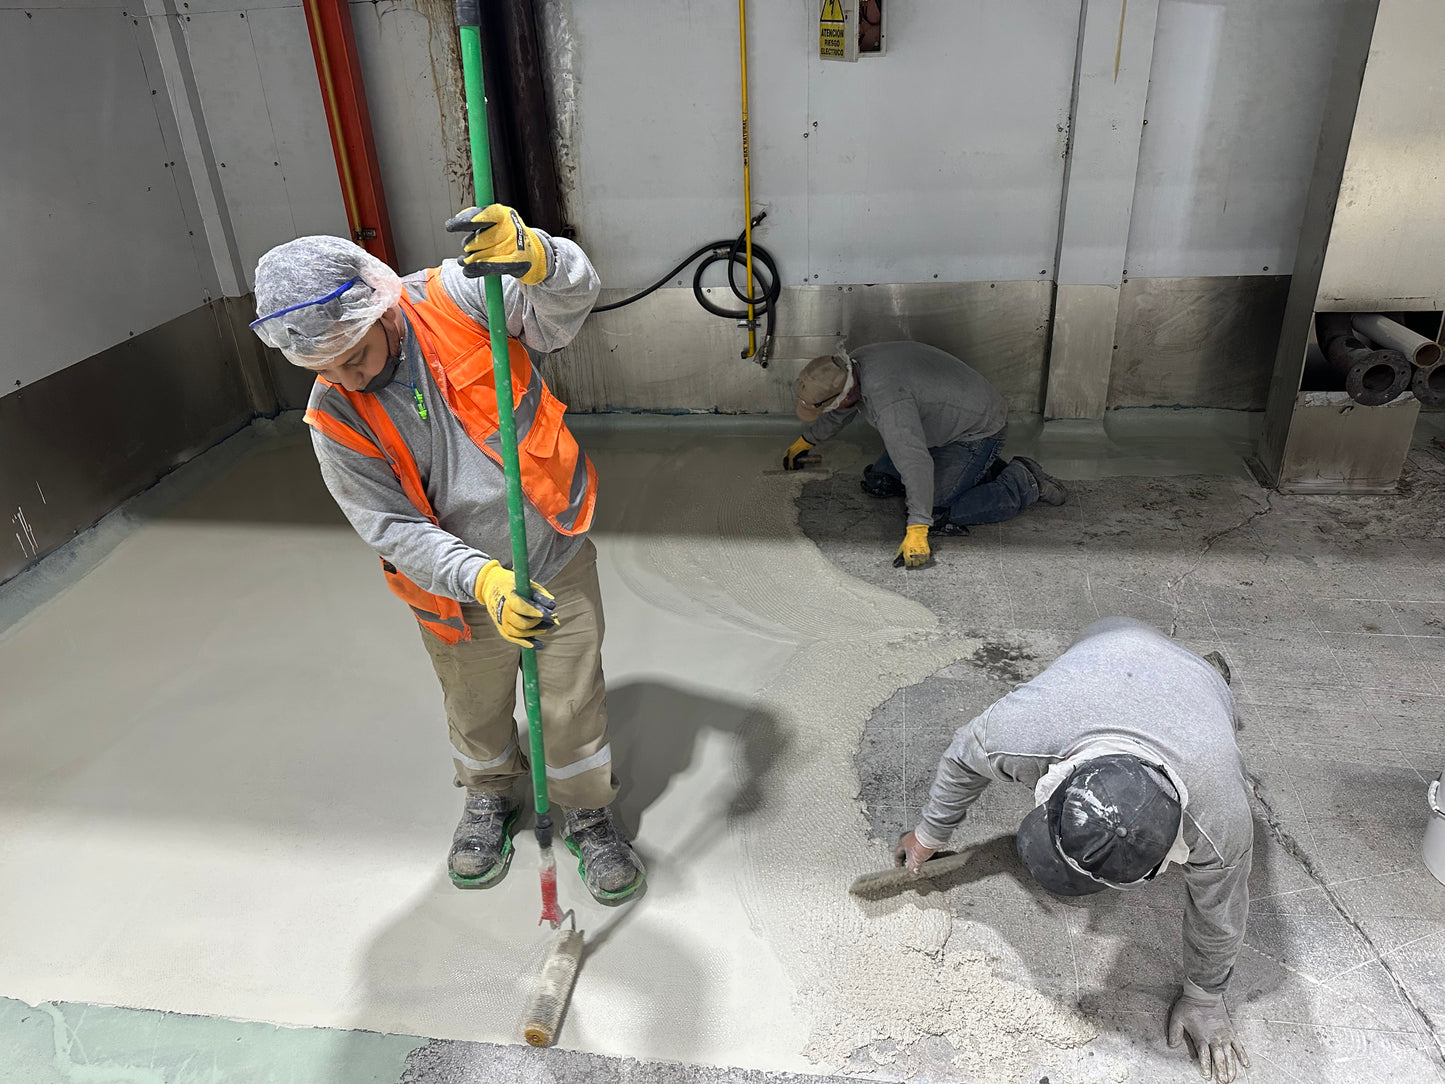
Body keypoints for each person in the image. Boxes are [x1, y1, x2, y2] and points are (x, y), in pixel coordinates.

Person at [249, 205, 644, 904]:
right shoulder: (332, 415)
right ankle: (489, 793)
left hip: (552, 552)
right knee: (475, 704)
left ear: (379, 306)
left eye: (355, 356)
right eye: (324, 369)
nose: (347, 378)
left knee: (570, 700)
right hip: (456, 594)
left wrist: (541, 259)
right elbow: (390, 525)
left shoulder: (462, 296)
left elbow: (566, 308)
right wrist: (481, 580)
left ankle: (585, 809)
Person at [895, 618, 1252, 1083]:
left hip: (1199, 691)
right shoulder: (1024, 730)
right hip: (1110, 640)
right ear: (1060, 782)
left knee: (1206, 693)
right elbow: (964, 757)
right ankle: (1174, 672)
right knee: (1103, 668)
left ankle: (1204, 673)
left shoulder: (1220, 821)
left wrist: (1205, 997)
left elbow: (1219, 913)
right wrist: (929, 835)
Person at [780, 342, 1066, 568]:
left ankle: (1025, 481)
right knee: (880, 481)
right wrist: (807, 441)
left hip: (977, 431)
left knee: (935, 511)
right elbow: (840, 410)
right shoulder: (853, 366)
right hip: (940, 422)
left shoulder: (889, 401)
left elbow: (914, 461)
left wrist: (918, 527)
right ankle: (979, 470)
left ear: (844, 393)